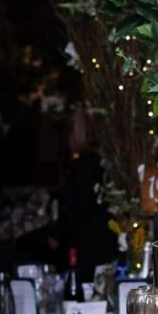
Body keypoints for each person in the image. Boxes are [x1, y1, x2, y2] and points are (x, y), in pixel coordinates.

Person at [50, 111, 116, 285]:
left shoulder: (81, 165)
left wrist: (58, 233)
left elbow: (73, 206)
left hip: (86, 237)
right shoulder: (102, 161)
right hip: (103, 234)